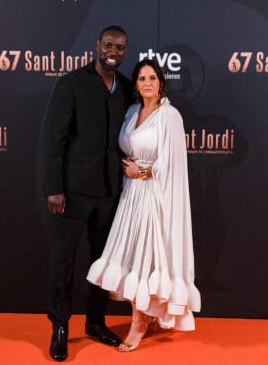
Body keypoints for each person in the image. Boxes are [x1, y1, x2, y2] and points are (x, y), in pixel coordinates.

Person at [87, 59, 201, 352]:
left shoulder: (170, 116)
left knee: (144, 258)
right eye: (141, 78)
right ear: (135, 84)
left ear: (161, 82)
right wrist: (132, 174)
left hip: (154, 195)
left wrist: (143, 172)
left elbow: (174, 164)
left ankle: (138, 324)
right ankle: (144, 316)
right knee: (136, 257)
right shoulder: (132, 112)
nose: (147, 83)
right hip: (131, 194)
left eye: (152, 77)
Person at [42, 25, 133, 361]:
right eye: (108, 44)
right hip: (73, 192)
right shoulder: (71, 84)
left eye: (120, 47)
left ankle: (96, 321)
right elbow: (54, 140)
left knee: (103, 263)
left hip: (111, 193)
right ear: (97, 46)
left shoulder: (126, 87)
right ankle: (60, 327)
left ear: (125, 51)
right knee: (63, 261)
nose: (113, 51)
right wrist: (55, 188)